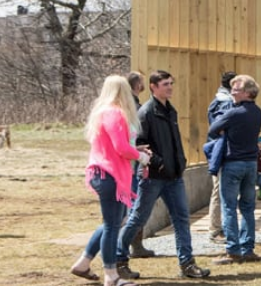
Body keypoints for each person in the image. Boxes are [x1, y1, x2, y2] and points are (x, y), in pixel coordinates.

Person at [115, 70, 210, 279]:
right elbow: (140, 144)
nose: (170, 87)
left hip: (173, 177)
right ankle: (118, 259)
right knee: (138, 218)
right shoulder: (146, 113)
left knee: (181, 218)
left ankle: (187, 264)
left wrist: (180, 162)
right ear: (153, 87)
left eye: (170, 83)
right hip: (152, 177)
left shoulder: (171, 111)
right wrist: (158, 163)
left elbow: (174, 142)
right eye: (165, 84)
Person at [70, 76, 153, 286]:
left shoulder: (104, 112)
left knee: (115, 222)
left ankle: (83, 263)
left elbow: (117, 145)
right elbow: (121, 148)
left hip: (107, 174)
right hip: (110, 175)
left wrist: (136, 150)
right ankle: (111, 275)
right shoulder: (114, 113)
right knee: (112, 226)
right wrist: (141, 157)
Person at [207, 75, 261, 265]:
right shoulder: (258, 112)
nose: (232, 92)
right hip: (251, 164)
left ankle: (233, 250)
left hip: (233, 164)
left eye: (236, 89)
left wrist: (225, 130)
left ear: (248, 93)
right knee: (248, 207)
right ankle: (248, 248)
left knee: (229, 207)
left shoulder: (233, 113)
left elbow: (213, 129)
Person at [124, 71, 154, 259]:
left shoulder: (127, 105)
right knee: (135, 203)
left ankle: (134, 245)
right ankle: (133, 245)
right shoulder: (133, 107)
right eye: (142, 82)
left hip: (131, 158)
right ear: (137, 86)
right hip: (132, 160)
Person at [205, 71, 236, 241]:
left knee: (220, 190)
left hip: (216, 150)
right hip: (222, 151)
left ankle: (219, 227)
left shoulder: (217, 101)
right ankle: (216, 229)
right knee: (219, 190)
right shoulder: (226, 103)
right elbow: (220, 129)